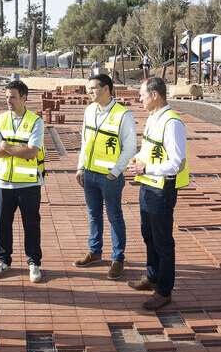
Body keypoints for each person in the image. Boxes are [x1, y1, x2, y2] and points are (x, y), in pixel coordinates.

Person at [126, 77, 188, 310]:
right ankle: (152, 277)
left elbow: (176, 163)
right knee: (148, 235)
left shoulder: (172, 123)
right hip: (147, 185)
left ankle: (164, 291)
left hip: (162, 189)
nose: (139, 98)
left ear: (155, 95)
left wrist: (146, 168)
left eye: (142, 94)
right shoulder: (154, 118)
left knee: (163, 242)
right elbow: (151, 149)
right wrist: (138, 160)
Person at [73, 73, 137, 280]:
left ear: (106, 88)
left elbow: (130, 148)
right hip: (89, 174)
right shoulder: (89, 110)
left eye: (93, 88)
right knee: (93, 215)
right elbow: (85, 141)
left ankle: (117, 259)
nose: (89, 91)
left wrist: (114, 173)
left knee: (114, 217)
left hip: (109, 178)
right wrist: (80, 167)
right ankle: (95, 252)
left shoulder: (123, 115)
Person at [0, 80, 46, 283]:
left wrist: (8, 147)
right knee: (2, 225)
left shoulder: (36, 122)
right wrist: (18, 147)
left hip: (29, 184)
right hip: (3, 183)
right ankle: (3, 261)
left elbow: (31, 152)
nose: (8, 101)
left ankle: (33, 262)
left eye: (12, 97)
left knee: (31, 224)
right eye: (6, 97)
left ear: (23, 97)